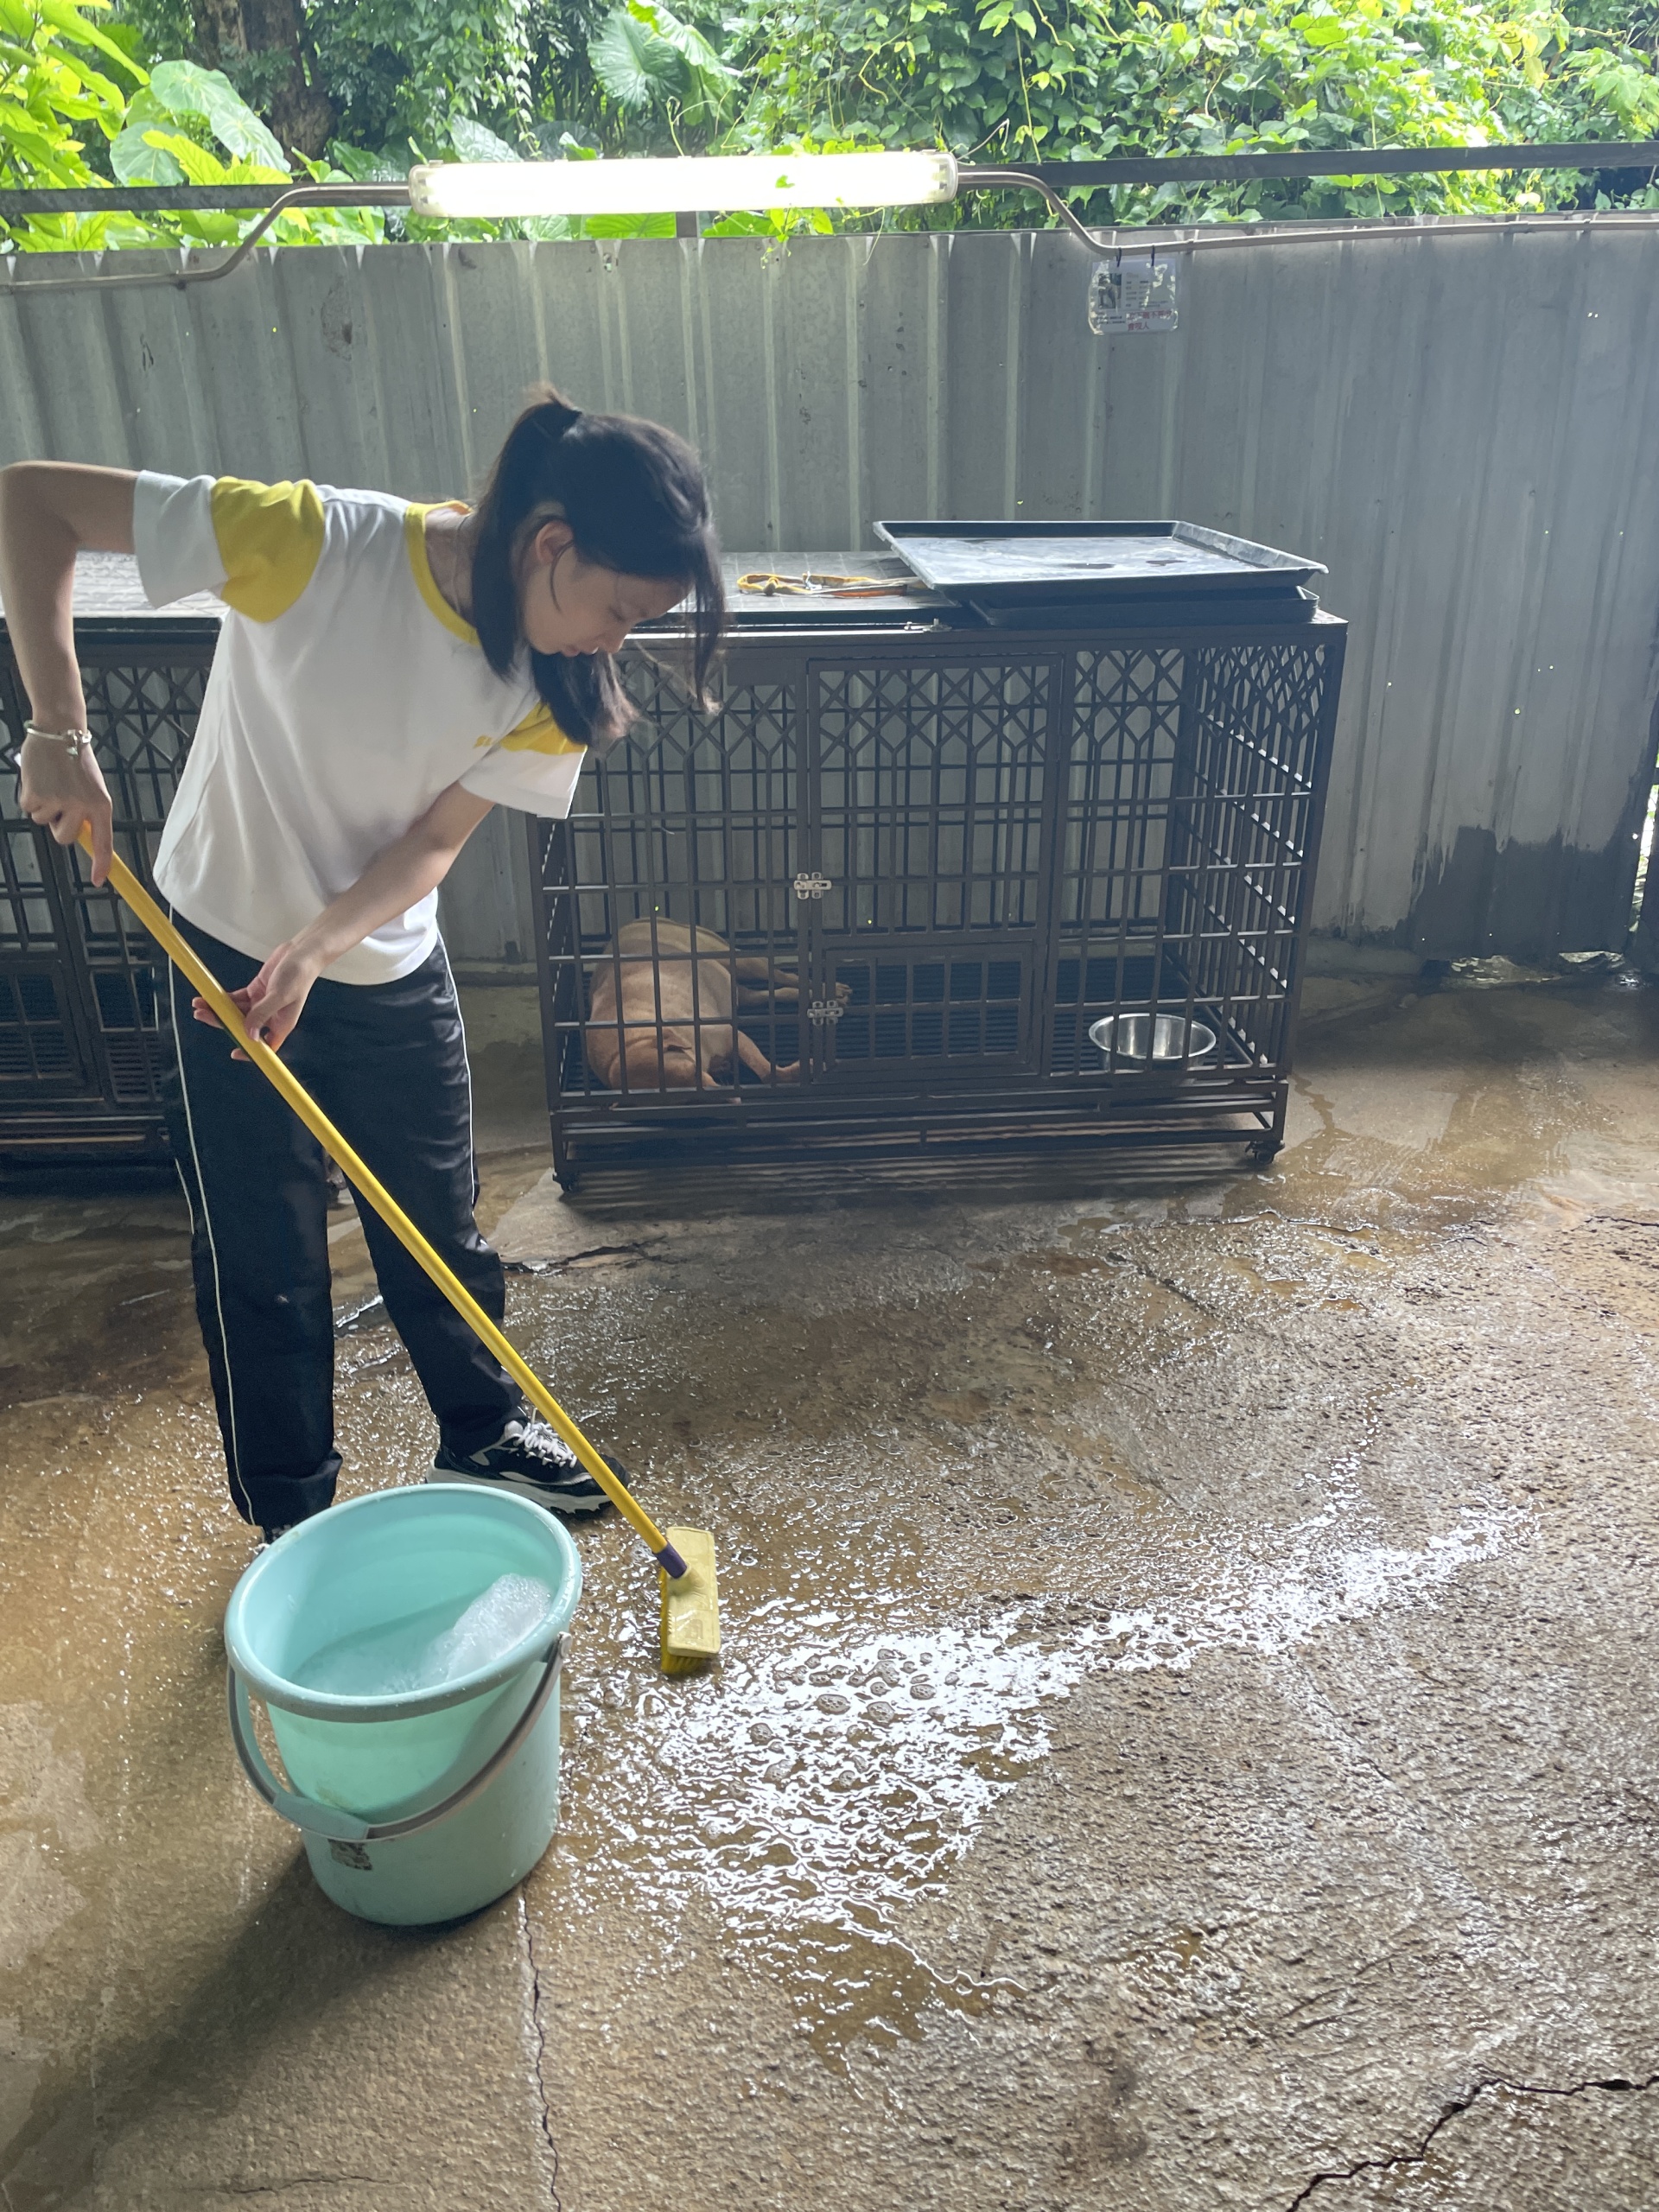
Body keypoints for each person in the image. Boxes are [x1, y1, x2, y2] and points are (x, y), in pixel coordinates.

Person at [0, 389, 724, 1543]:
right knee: (263, 1249)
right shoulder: (314, 543)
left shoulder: (557, 688)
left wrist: (322, 944)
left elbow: (432, 842)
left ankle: (483, 1435)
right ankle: (293, 1520)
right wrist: (57, 729)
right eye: (620, 611)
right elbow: (30, 502)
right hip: (219, 939)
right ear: (551, 544)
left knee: (437, 1225)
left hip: (383, 959)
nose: (615, 644)